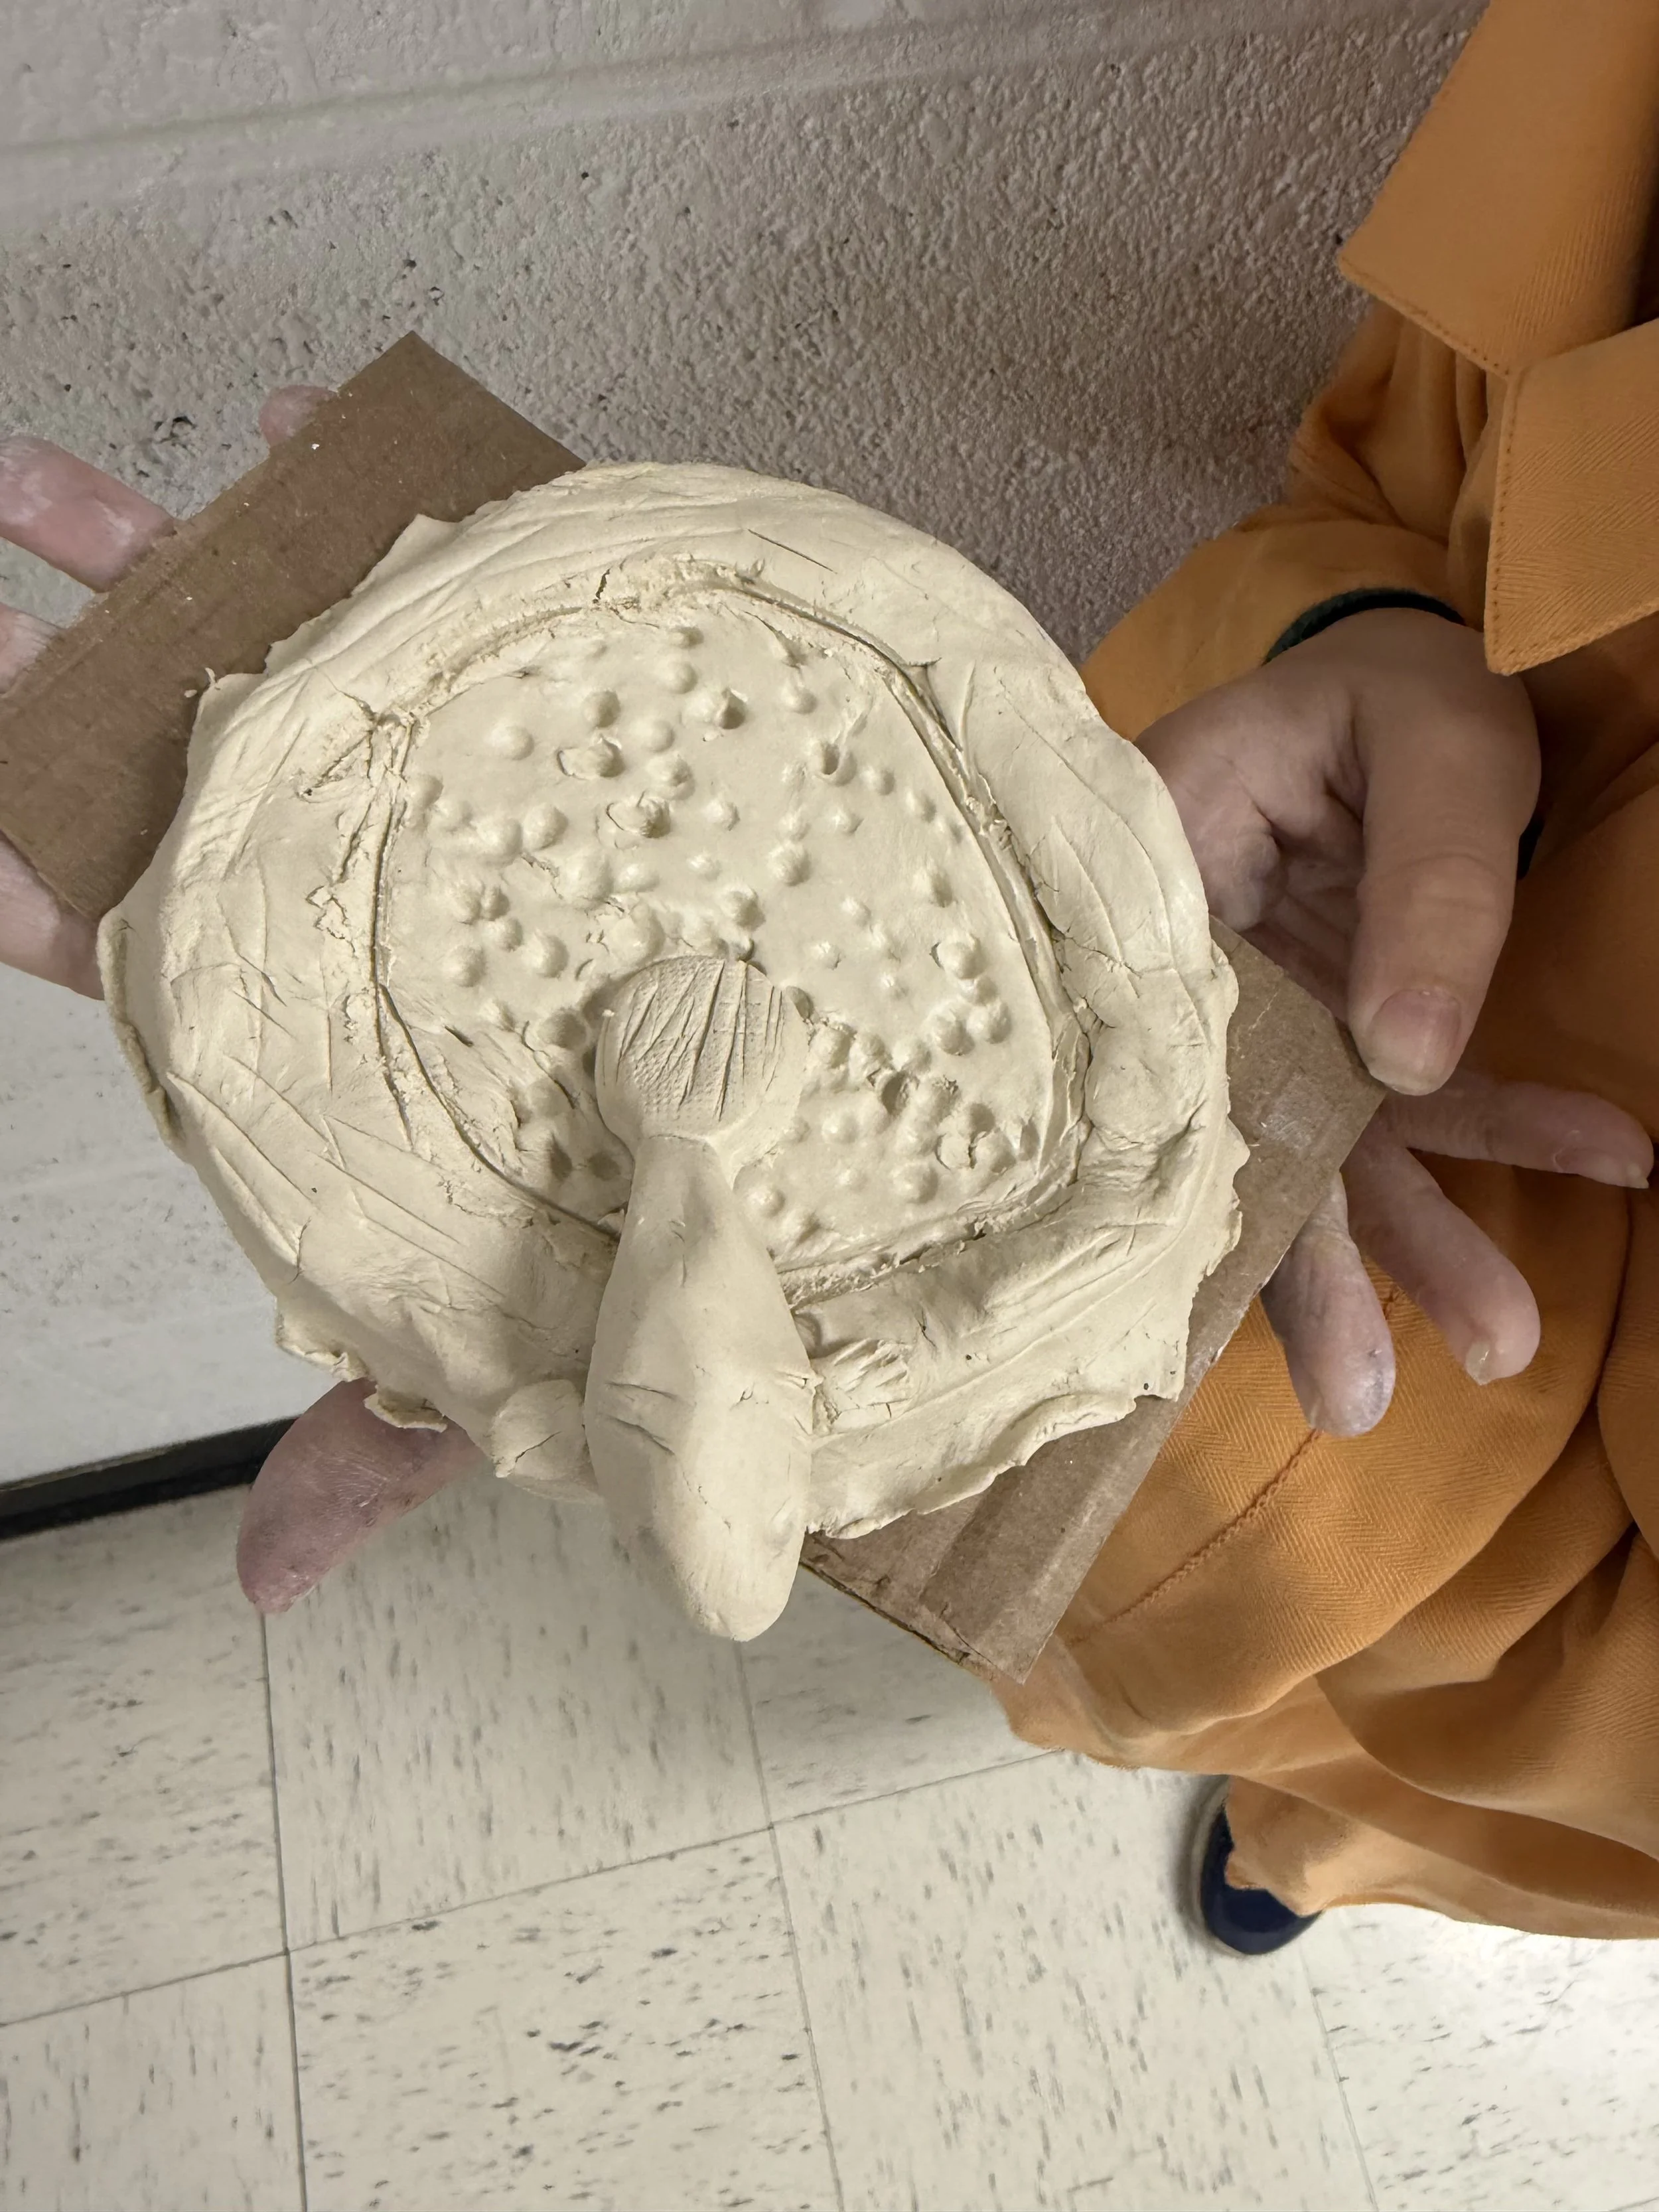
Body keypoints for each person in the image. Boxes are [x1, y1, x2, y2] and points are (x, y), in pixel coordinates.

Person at [3, 0, 1654, 1949]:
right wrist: (1386, 632)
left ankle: (1326, 1845)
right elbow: (1435, 445)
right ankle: (1303, 1824)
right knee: (1264, 1728)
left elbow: (1590, 1707)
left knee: (1369, 1777)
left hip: (1456, 1606)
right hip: (1281, 949)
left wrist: (1224, 1458)